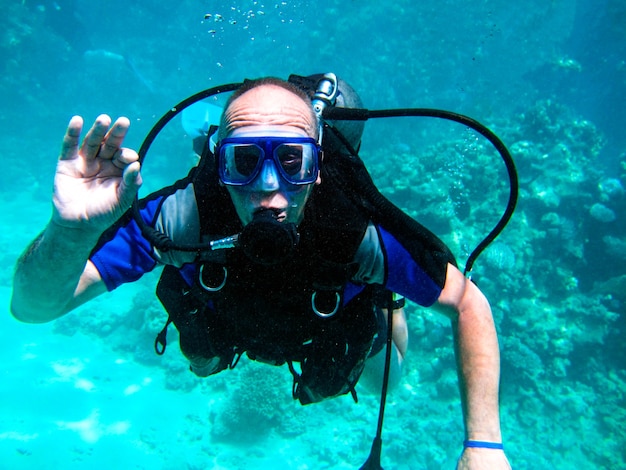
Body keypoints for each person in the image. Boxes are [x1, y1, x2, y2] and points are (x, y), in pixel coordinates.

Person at [11, 75, 511, 469]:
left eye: (293, 162)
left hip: (332, 320)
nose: (270, 190)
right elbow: (34, 308)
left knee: (388, 382)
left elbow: (469, 303)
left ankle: (390, 307)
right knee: (202, 358)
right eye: (244, 161)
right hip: (232, 317)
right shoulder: (182, 218)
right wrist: (70, 232)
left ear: (318, 165)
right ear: (216, 158)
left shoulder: (356, 229)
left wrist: (483, 444)